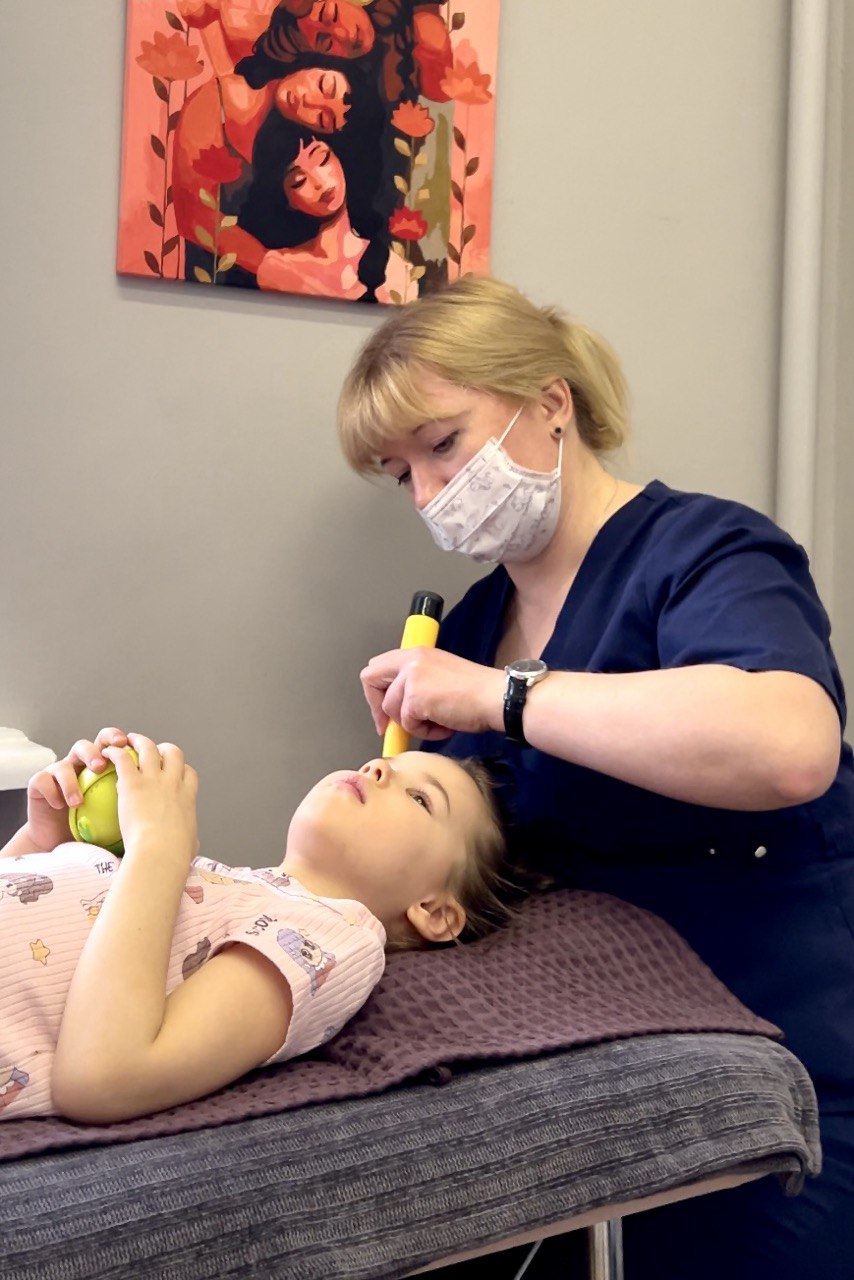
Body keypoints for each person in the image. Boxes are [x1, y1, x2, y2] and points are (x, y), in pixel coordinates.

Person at [336, 274, 854, 1280]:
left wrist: (501, 696)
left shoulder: (705, 550)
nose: (429, 495)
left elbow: (789, 746)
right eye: (401, 474)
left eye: (443, 445)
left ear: (549, 402)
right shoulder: (471, 626)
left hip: (777, 1059)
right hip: (595, 1079)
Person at [0, 727, 508, 1125]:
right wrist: (43, 842)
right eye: (385, 764)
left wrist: (158, 846)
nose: (377, 768)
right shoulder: (234, 888)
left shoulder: (332, 937)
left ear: (434, 912)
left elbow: (103, 1077)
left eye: (421, 799)